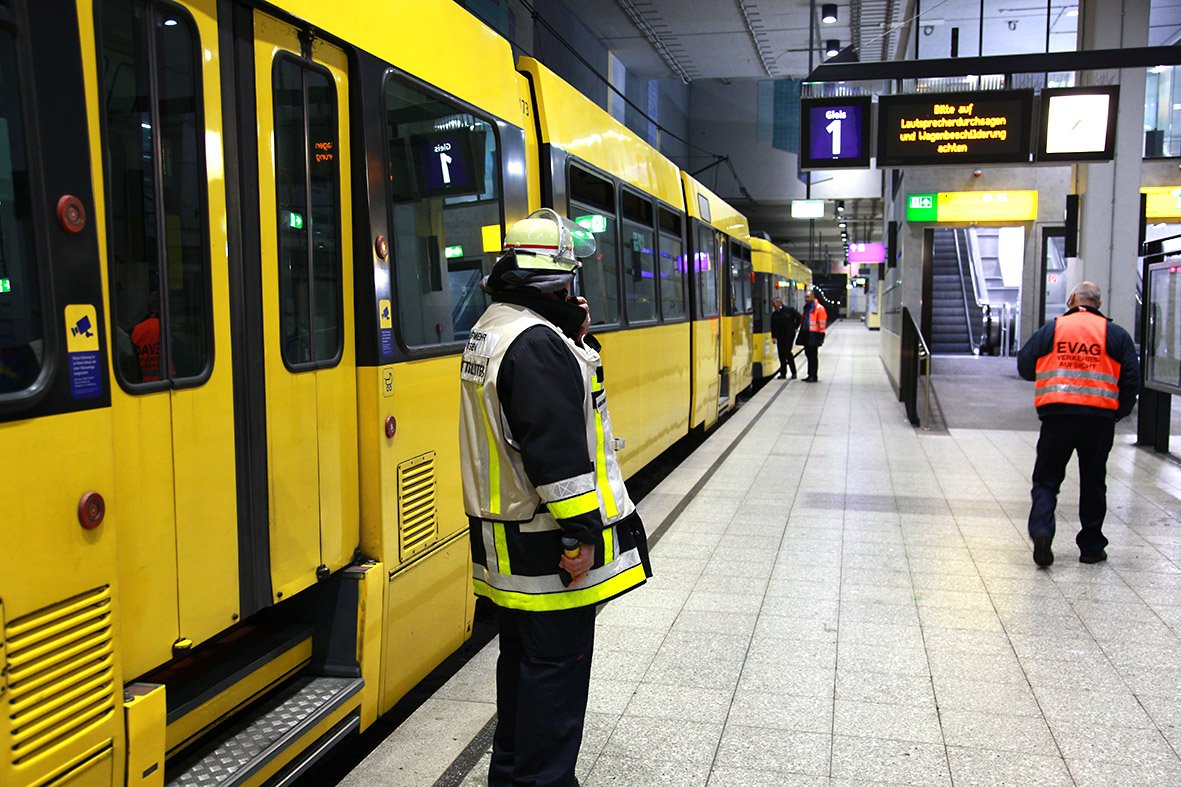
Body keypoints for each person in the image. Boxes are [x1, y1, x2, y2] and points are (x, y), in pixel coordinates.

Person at [458, 208, 651, 787]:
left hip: (505, 537)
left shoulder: (492, 327)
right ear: (558, 280)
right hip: (546, 546)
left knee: (522, 668)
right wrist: (580, 536)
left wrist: (576, 339)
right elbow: (558, 455)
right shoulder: (538, 344)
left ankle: (510, 777)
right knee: (555, 682)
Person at [1017, 281, 1139, 567]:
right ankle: (1091, 548)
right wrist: (1117, 412)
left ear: (1072, 299)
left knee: (1047, 479)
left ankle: (1042, 530)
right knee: (1093, 482)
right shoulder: (1116, 334)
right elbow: (1132, 380)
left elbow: (1024, 366)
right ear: (1099, 303)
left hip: (1057, 418)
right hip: (1099, 421)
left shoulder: (1052, 329)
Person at [797, 288, 828, 382]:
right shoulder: (807, 308)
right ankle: (810, 374)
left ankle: (813, 376)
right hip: (807, 334)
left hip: (814, 334)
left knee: (813, 356)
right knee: (808, 354)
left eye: (808, 297)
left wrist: (820, 337)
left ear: (813, 297)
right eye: (805, 297)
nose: (806, 299)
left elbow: (822, 324)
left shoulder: (819, 308)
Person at [770, 295, 801, 379]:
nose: (774, 305)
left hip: (789, 335)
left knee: (787, 352)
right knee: (781, 354)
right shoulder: (774, 314)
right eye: (773, 303)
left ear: (779, 302)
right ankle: (783, 373)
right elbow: (773, 326)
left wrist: (795, 327)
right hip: (780, 336)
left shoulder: (789, 310)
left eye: (775, 303)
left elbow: (799, 317)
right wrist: (773, 337)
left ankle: (793, 372)